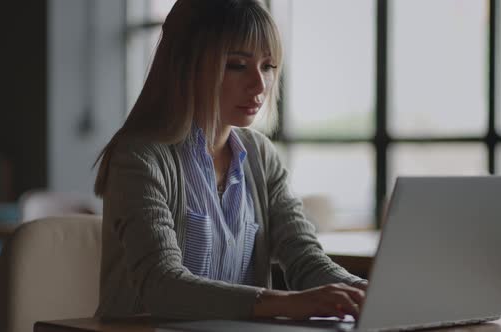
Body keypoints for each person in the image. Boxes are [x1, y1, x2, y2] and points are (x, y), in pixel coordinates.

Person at [93, 0, 368, 322]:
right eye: (237, 65)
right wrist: (287, 303)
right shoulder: (139, 156)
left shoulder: (261, 155)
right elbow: (161, 285)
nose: (260, 85)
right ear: (186, 64)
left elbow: (305, 259)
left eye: (268, 66)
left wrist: (369, 293)